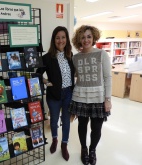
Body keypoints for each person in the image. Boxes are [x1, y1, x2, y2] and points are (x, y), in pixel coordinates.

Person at [70, 25, 112, 165]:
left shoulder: (101, 54)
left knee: (97, 127)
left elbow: (107, 77)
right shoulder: (75, 58)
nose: (86, 39)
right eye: (83, 37)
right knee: (82, 125)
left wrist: (108, 99)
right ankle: (83, 149)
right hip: (80, 96)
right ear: (79, 40)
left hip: (99, 97)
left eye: (89, 36)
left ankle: (92, 150)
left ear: (93, 37)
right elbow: (72, 78)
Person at [36, 26, 75, 161]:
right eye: (57, 38)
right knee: (54, 120)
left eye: (63, 37)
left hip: (68, 93)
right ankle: (54, 140)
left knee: (66, 120)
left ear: (67, 39)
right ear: (53, 40)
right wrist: (47, 82)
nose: (60, 40)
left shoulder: (70, 55)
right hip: (53, 95)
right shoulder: (46, 58)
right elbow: (37, 74)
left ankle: (64, 144)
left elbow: (71, 74)